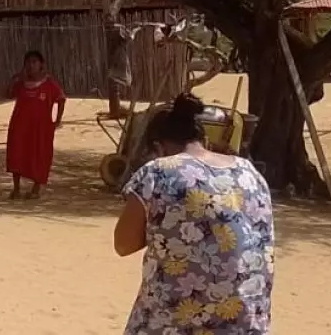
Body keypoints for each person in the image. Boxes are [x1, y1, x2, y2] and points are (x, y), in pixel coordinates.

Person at [114, 93, 274, 334]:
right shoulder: (249, 173)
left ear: (159, 147)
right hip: (244, 324)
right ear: (204, 140)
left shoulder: (158, 172)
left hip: (177, 323)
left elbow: (123, 244)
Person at [5, 50, 66, 199]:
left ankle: (36, 189)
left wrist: (57, 120)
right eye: (28, 62)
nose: (31, 65)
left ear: (41, 65)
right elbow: (8, 94)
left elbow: (61, 99)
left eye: (34, 62)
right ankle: (16, 188)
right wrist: (15, 79)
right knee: (16, 153)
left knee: (40, 154)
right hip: (20, 125)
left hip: (41, 127)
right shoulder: (21, 83)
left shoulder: (49, 84)